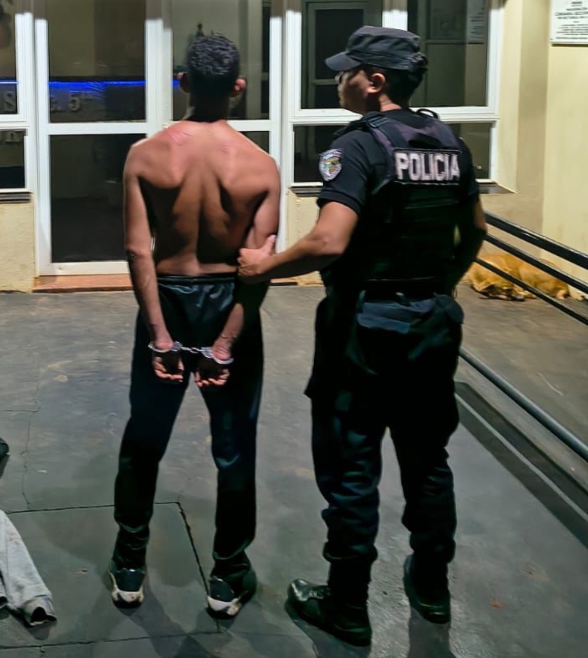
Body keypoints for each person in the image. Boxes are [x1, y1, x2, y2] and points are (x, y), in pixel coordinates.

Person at [237, 27, 487, 645]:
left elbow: (329, 241)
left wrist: (264, 266)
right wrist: (442, 285)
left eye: (348, 71)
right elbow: (475, 231)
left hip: (364, 329)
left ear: (375, 82)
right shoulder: (450, 144)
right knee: (428, 459)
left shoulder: (357, 147)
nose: (338, 79)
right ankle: (431, 587)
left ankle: (347, 604)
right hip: (431, 324)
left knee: (352, 463)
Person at [108, 34, 279, 618]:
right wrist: (226, 344)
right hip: (229, 302)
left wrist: (159, 334)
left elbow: (138, 250)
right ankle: (227, 576)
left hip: (167, 297)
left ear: (183, 83)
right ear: (238, 87)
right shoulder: (261, 166)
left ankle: (129, 564)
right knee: (234, 447)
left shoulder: (145, 155)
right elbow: (258, 268)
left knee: (145, 437)